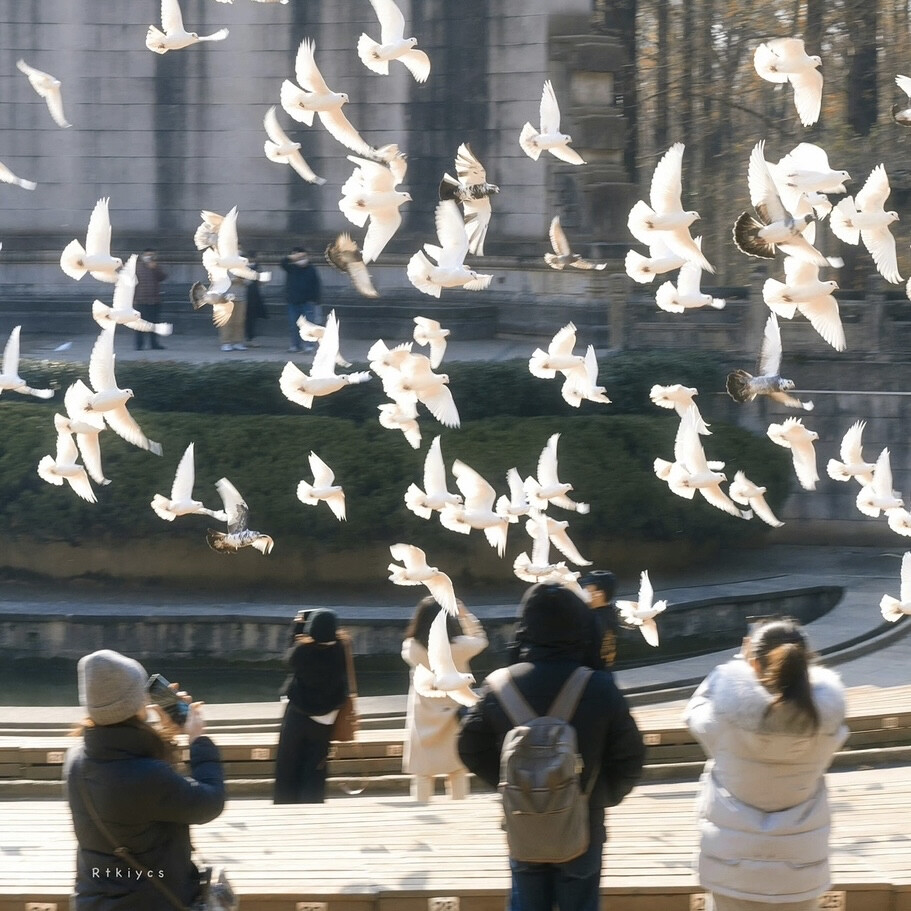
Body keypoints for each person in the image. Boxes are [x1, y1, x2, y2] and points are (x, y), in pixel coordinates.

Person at [458, 583, 646, 911]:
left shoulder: (499, 686)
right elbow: (631, 755)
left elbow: (468, 746)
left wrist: (509, 784)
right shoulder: (599, 686)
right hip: (583, 827)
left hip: (523, 819)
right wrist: (594, 795)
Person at [685, 617, 848, 911]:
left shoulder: (723, 721)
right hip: (800, 872)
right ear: (806, 666)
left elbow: (693, 712)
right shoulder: (827, 726)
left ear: (754, 663)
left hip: (731, 868)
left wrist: (732, 668)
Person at [63, 649, 225, 910]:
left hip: (95, 897)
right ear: (138, 703)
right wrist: (198, 740)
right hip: (150, 900)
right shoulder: (146, 775)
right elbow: (209, 801)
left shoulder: (76, 759)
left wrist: (165, 736)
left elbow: (143, 802)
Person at [402, 596, 487, 802]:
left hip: (424, 718)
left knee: (423, 774)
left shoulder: (411, 648)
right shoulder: (460, 647)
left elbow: (409, 648)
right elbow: (481, 638)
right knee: (457, 770)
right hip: (453, 717)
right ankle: (459, 817)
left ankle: (422, 813)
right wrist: (465, 614)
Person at [274, 608, 348, 803]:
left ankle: (285, 804)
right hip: (326, 718)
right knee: (316, 766)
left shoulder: (302, 651)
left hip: (298, 714)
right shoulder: (340, 649)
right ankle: (312, 805)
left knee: (288, 763)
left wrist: (298, 626)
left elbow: (288, 657)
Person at [280, 246, 321, 353]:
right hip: (293, 301)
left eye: (301, 256)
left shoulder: (311, 268)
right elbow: (282, 263)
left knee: (309, 325)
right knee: (294, 325)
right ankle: (295, 345)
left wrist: (316, 300)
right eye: (296, 256)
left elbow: (316, 285)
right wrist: (292, 257)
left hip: (307, 302)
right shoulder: (291, 268)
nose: (299, 258)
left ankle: (309, 346)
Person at [580, 570, 621, 668]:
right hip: (602, 675)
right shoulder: (610, 614)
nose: (584, 591)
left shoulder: (593, 619)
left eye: (588, 589)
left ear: (599, 594)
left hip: (588, 676)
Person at [134, 249, 167, 351]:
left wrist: (155, 268)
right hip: (141, 300)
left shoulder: (156, 267)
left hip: (154, 300)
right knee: (140, 324)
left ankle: (154, 344)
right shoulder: (138, 268)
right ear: (143, 256)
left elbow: (163, 277)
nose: (149, 258)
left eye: (152, 256)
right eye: (147, 256)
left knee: (154, 324)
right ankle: (139, 345)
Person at [244, 251, 269, 345]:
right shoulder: (245, 267)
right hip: (248, 294)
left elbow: (263, 281)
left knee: (252, 318)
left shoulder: (258, 267)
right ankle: (248, 337)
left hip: (254, 295)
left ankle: (250, 337)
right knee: (248, 318)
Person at [218, 273, 248, 352]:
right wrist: (236, 279)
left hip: (241, 297)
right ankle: (226, 342)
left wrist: (243, 279)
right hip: (227, 296)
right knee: (227, 321)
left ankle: (238, 342)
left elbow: (249, 281)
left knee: (240, 321)